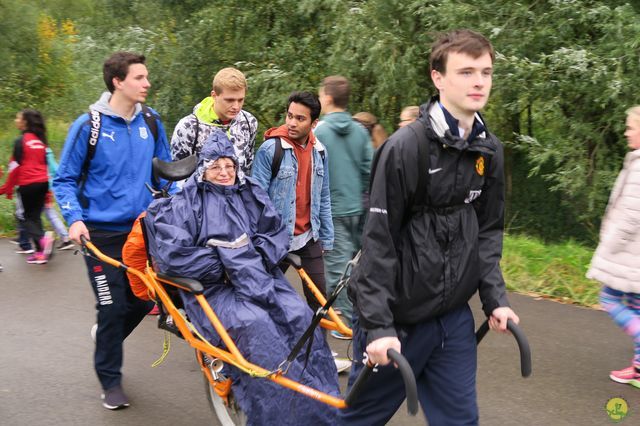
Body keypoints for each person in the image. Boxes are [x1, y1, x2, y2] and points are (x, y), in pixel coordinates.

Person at [341, 29, 520, 425]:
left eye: (486, 72)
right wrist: (379, 327)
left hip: (453, 319)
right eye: (466, 71)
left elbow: (488, 231)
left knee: (460, 421)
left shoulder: (489, 149)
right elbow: (378, 243)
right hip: (398, 322)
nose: (479, 82)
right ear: (438, 78)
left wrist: (495, 298)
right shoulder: (406, 147)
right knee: (360, 421)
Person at [144, 130, 340, 425]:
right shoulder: (188, 203)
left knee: (300, 315)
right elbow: (175, 256)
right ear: (204, 170)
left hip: (261, 278)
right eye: (216, 166)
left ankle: (324, 407)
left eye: (229, 166)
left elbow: (276, 233)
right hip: (214, 289)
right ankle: (278, 417)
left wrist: (251, 257)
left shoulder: (250, 192)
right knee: (257, 328)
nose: (224, 173)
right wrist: (228, 262)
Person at [53, 51, 173, 410]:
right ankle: (110, 381)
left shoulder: (151, 122)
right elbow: (64, 179)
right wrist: (74, 218)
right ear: (118, 81)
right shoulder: (88, 125)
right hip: (99, 234)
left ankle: (108, 337)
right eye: (140, 77)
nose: (147, 83)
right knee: (111, 305)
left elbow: (166, 174)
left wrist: (180, 204)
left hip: (141, 231)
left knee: (142, 299)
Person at [252, 92, 350, 373]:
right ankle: (253, 351)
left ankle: (318, 355)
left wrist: (327, 237)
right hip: (276, 239)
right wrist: (260, 240)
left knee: (319, 300)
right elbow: (255, 198)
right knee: (261, 296)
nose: (292, 122)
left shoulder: (320, 151)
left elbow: (324, 196)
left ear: (314, 122)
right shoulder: (271, 150)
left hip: (308, 237)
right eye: (289, 116)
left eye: (300, 118)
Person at [315, 76, 373, 338]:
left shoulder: (319, 133)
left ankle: (351, 328)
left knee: (337, 270)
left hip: (332, 211)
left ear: (327, 98)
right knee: (357, 265)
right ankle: (356, 321)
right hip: (357, 206)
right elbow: (368, 171)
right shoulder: (360, 131)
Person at [587, 106, 640, 389]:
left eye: (631, 127)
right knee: (636, 306)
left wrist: (608, 246)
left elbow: (632, 214)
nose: (626, 131)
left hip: (629, 254)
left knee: (609, 299)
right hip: (635, 255)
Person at [170, 67, 258, 178]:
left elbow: (247, 169)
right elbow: (177, 178)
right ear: (214, 96)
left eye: (240, 100)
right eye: (229, 100)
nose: (236, 106)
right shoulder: (189, 127)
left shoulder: (249, 123)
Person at [9, 109, 55, 264]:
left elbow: (15, 167)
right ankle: (41, 253)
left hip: (28, 183)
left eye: (18, 117)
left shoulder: (20, 141)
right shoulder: (40, 141)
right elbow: (44, 164)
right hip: (43, 183)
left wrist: (6, 188)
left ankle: (43, 239)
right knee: (35, 217)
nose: (16, 120)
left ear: (25, 122)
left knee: (24, 217)